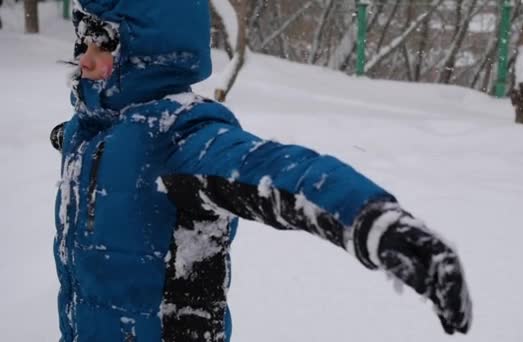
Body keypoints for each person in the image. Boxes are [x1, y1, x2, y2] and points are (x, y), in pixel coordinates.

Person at [50, 1, 472, 341]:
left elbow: (274, 170)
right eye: (83, 43)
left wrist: (372, 222)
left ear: (150, 52)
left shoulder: (181, 135)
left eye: (104, 46)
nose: (85, 60)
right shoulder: (90, 131)